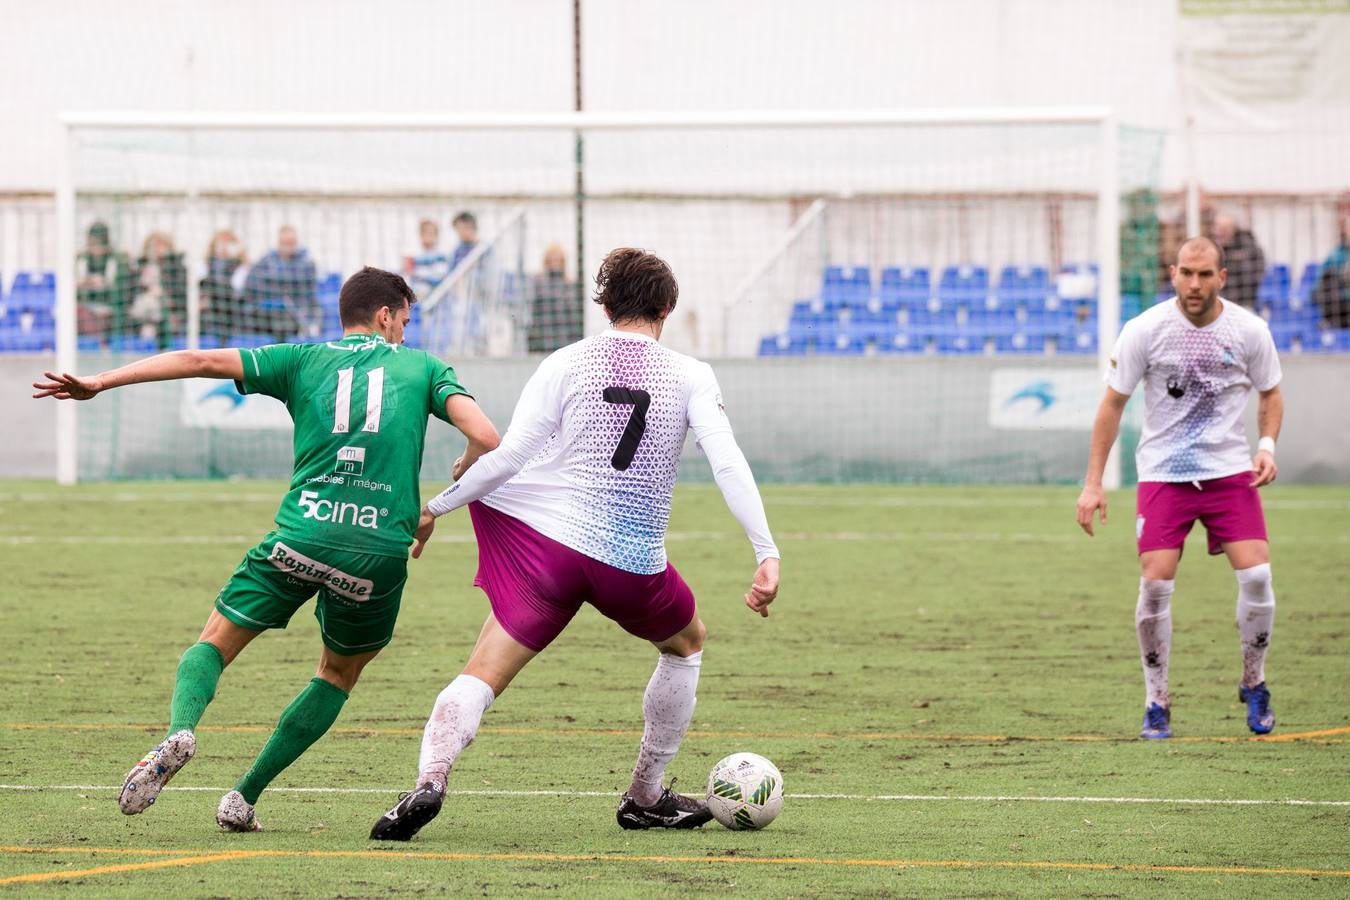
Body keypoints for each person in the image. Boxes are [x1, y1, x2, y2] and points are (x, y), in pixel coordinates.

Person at [32, 267, 499, 832]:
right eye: (404, 318)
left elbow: (197, 361)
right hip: (377, 553)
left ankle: (181, 730)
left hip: (300, 536)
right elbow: (488, 437)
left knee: (215, 642)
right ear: (385, 315)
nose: (405, 329)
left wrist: (99, 382)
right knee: (337, 673)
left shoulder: (299, 358)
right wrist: (443, 494)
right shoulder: (425, 367)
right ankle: (243, 796)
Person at [369, 248, 781, 841]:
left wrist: (435, 507)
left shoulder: (567, 361)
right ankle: (644, 795)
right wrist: (765, 551)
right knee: (686, 644)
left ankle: (431, 780)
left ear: (606, 306)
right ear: (666, 309)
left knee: (483, 668)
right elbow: (727, 462)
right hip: (631, 565)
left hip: (552, 553)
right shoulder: (690, 373)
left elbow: (508, 456)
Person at [1076, 237, 1283, 741]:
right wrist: (1092, 483)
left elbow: (1271, 391)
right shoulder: (1145, 329)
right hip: (1165, 474)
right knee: (1156, 585)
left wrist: (1268, 445)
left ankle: (1254, 683)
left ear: (1222, 277)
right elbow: (1112, 405)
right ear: (1173, 273)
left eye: (1205, 274)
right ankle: (1157, 701)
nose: (1195, 284)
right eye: (1186, 274)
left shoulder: (1249, 330)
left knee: (1257, 576)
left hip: (1230, 472)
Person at [244, 226, 322, 341]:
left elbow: (301, 285)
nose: (287, 246)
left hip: (296, 312)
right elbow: (251, 282)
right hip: (267, 314)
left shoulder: (306, 263)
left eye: (291, 243)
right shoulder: (267, 260)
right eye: (284, 243)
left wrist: (273, 280)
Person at [76, 221, 132, 342]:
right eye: (92, 244)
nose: (96, 248)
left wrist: (105, 285)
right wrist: (83, 284)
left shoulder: (117, 260)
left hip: (110, 307)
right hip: (86, 304)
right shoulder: (81, 260)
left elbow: (124, 291)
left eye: (99, 244)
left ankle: (102, 343)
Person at [132, 231, 188, 348]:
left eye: (160, 245)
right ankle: (147, 328)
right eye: (152, 246)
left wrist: (164, 292)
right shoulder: (140, 266)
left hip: (169, 308)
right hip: (143, 309)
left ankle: (155, 332)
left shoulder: (177, 268)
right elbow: (130, 292)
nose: (156, 249)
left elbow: (181, 292)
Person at [526, 243, 583, 353]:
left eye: (558, 260)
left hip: (564, 341)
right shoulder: (538, 282)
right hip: (542, 341)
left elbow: (574, 318)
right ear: (546, 262)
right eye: (552, 260)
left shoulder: (570, 284)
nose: (555, 263)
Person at [200, 229, 250, 343]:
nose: (224, 246)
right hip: (209, 310)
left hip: (232, 310)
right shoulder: (205, 264)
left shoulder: (241, 266)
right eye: (220, 242)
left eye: (228, 243)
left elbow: (238, 290)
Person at [1210, 213, 1266, 310]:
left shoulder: (1248, 248)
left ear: (1233, 230)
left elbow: (1253, 278)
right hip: (1216, 302)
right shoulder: (1210, 248)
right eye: (1216, 227)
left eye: (1224, 228)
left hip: (1243, 302)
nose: (1219, 232)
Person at [1313, 210, 1350, 329]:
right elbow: (1321, 280)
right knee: (1328, 279)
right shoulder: (1335, 255)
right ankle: (1330, 323)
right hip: (1340, 305)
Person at [404, 219, 451, 301]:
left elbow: (439, 277)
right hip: (416, 295)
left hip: (434, 296)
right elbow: (408, 274)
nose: (426, 236)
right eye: (424, 233)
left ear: (436, 235)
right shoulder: (415, 254)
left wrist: (418, 275)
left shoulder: (440, 255)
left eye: (430, 233)